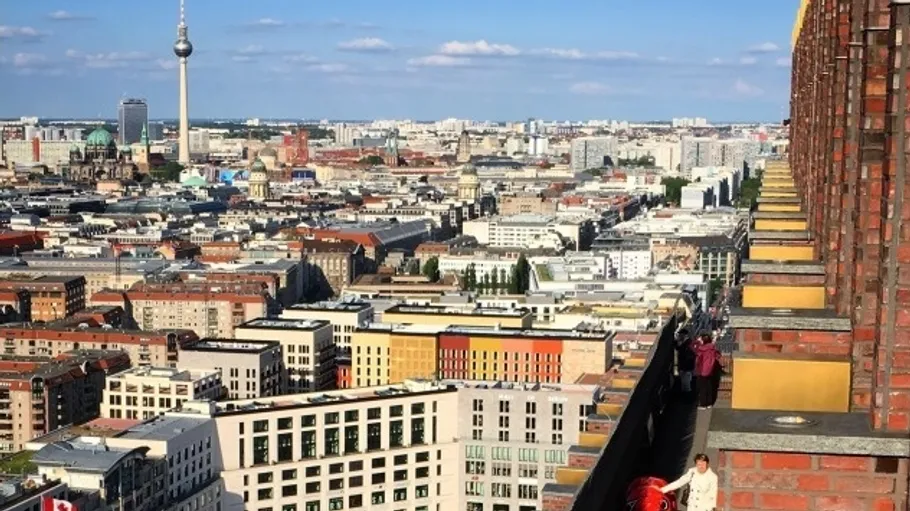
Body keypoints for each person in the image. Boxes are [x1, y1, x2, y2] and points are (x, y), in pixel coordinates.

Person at [692, 334, 719, 409]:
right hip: (710, 370)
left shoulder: (702, 349)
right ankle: (709, 403)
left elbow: (693, 348)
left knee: (702, 388)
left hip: (702, 370)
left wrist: (696, 341)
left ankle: (703, 404)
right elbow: (717, 356)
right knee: (709, 387)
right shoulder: (712, 348)